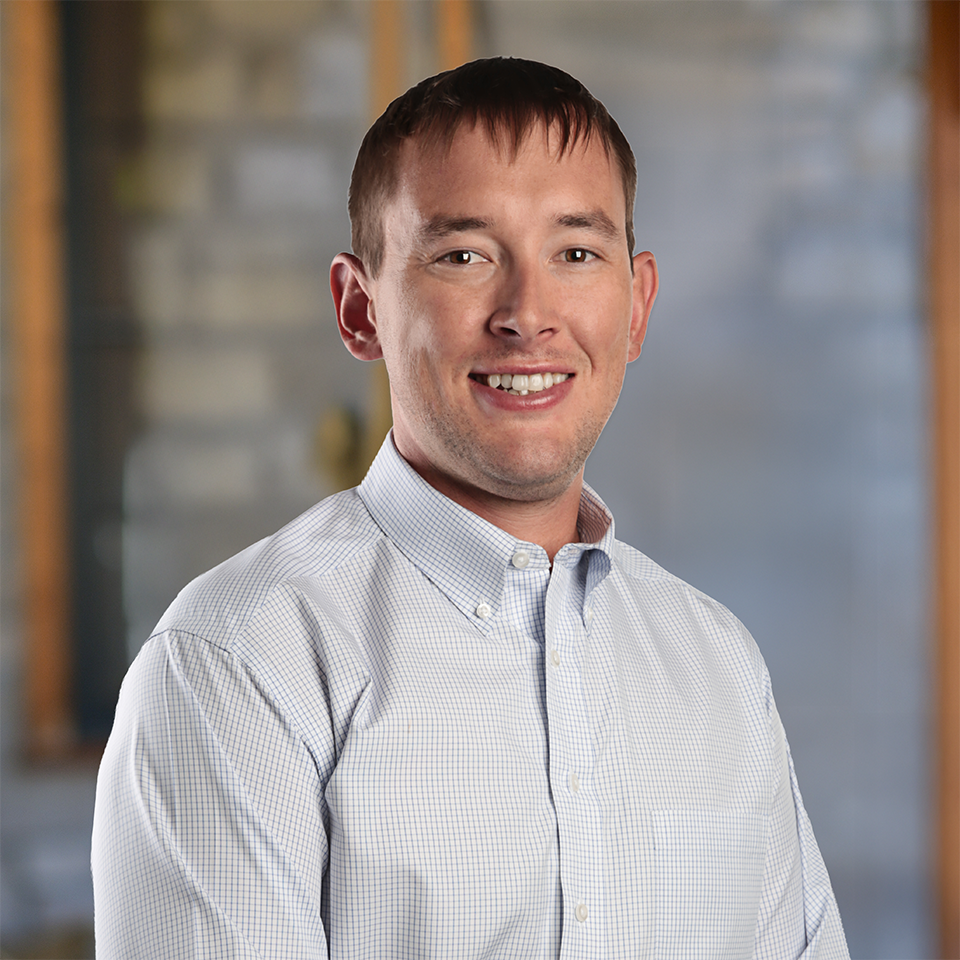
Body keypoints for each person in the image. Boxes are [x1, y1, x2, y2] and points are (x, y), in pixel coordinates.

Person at [91, 57, 849, 959]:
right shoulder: (237, 667)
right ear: (359, 307)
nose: (528, 314)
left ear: (636, 305)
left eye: (576, 252)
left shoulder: (719, 666)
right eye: (464, 256)